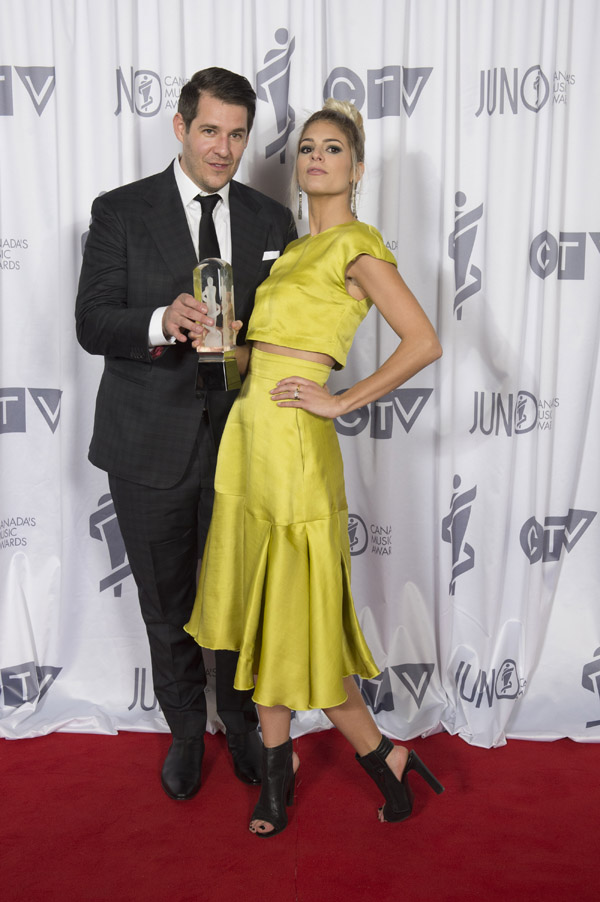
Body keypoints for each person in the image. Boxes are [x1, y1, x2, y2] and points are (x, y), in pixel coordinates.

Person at [184, 98, 443, 836]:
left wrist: (341, 401)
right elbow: (260, 357)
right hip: (250, 438)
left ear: (356, 168)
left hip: (297, 445)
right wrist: (223, 343)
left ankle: (371, 757)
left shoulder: (357, 245)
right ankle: (293, 771)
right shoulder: (293, 250)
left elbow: (423, 341)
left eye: (333, 148)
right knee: (263, 614)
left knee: (300, 619)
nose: (317, 157)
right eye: (307, 148)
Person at [75, 67, 297, 801]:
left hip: (244, 441)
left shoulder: (272, 219)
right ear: (180, 127)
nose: (223, 148)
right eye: (209, 130)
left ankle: (240, 721)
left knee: (235, 597)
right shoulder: (121, 210)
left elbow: (286, 329)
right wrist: (158, 321)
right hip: (146, 441)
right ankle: (184, 731)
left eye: (237, 134)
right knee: (166, 600)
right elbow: (92, 321)